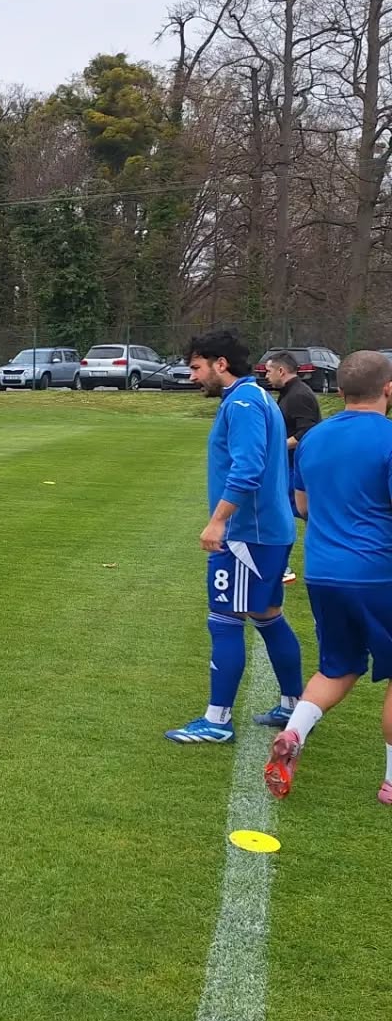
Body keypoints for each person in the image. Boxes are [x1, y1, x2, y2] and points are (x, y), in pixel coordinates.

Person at [264, 350, 392, 803]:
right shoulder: (388, 438)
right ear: (389, 389)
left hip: (323, 571)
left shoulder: (314, 438)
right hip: (378, 573)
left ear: (339, 391)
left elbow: (302, 505)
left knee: (338, 666)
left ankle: (294, 733)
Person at [165, 329, 304, 744]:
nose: (192, 377)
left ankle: (217, 720)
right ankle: (293, 706)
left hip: (247, 535)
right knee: (268, 616)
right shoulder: (256, 397)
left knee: (224, 619)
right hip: (268, 531)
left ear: (220, 364)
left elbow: (248, 467)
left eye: (196, 367)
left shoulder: (243, 403)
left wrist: (219, 521)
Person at [264, 350, 322, 585]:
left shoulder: (298, 395)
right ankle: (290, 565)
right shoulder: (290, 393)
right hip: (290, 467)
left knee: (282, 514)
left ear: (281, 371)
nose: (266, 375)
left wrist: (276, 447)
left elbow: (306, 432)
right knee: (295, 515)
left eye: (269, 371)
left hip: (297, 468)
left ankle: (284, 567)